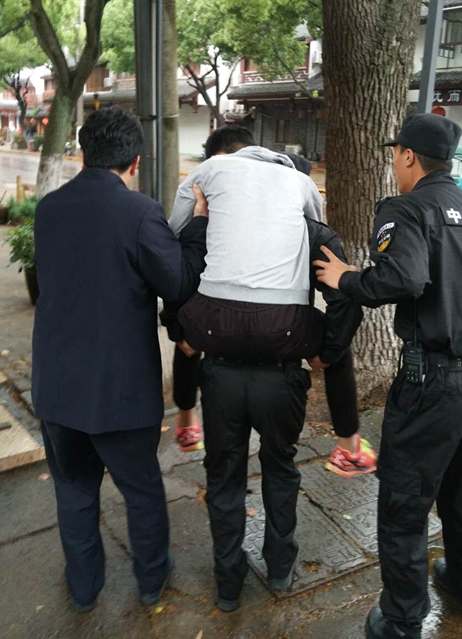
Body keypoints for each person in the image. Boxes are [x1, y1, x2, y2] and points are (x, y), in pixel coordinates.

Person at [315, 112, 462, 639]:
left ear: (408, 156)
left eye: (396, 156)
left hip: (435, 381)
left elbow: (402, 278)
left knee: (405, 499)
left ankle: (403, 619)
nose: (395, 165)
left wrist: (347, 278)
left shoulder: (406, 207)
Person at [162, 125, 374, 612]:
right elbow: (346, 297)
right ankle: (279, 567)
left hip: (220, 371)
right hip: (282, 373)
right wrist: (327, 353)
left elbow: (176, 274)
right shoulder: (308, 228)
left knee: (224, 476)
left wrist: (182, 333)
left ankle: (228, 583)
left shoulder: (212, 221)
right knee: (281, 468)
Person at [31, 107, 208, 613]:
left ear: (83, 153)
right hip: (120, 391)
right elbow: (177, 282)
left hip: (57, 386)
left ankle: (84, 588)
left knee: (74, 490)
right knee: (142, 489)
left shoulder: (49, 209)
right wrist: (196, 226)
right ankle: (151, 580)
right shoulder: (139, 212)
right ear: (135, 162)